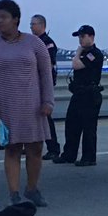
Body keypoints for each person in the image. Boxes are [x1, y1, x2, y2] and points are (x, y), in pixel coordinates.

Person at [0, 0, 55, 206]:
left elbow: (46, 74)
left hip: (33, 106)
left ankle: (32, 188)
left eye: (3, 17)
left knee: (35, 148)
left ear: (16, 20)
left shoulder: (35, 44)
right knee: (12, 149)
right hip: (4, 107)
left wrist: (48, 101)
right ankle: (14, 193)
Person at [56, 25, 105, 166]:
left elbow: (76, 65)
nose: (80, 40)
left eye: (83, 36)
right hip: (78, 93)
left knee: (88, 127)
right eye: (79, 37)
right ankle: (69, 154)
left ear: (91, 36)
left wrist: (77, 53)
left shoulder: (94, 53)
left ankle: (89, 157)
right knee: (71, 124)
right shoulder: (84, 53)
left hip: (90, 94)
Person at [29, 15, 61, 160]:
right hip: (32, 84)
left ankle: (53, 148)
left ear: (41, 25)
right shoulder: (32, 42)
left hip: (43, 84)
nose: (31, 27)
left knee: (45, 116)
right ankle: (30, 145)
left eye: (33, 24)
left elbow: (48, 64)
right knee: (30, 116)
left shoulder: (48, 43)